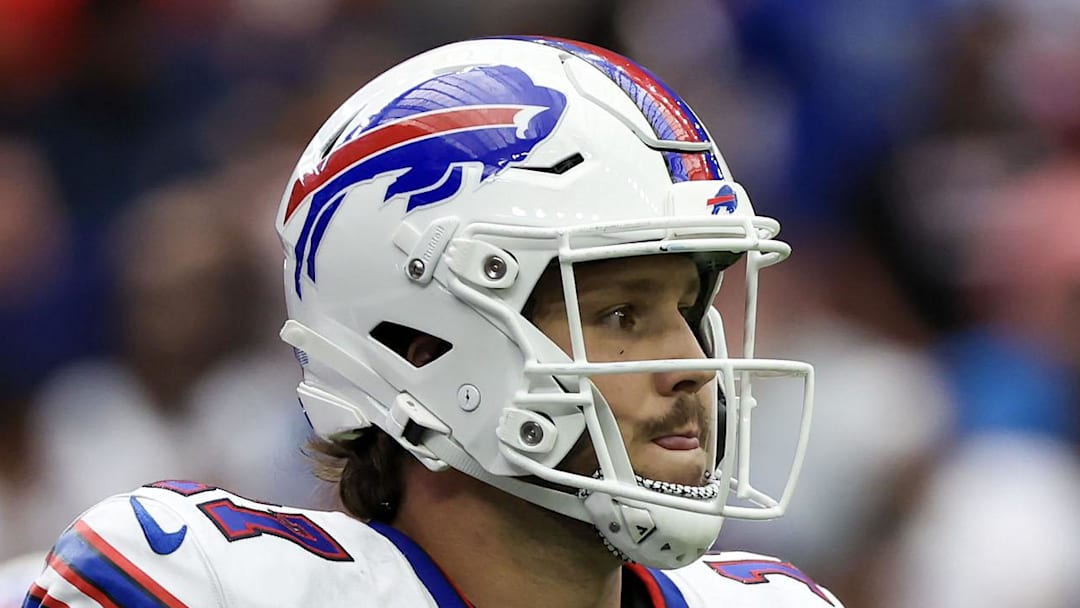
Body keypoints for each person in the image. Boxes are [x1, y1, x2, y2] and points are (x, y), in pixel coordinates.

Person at [24, 37, 842, 607]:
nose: (691, 365)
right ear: (418, 347)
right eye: (620, 313)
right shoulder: (201, 584)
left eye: (687, 309)